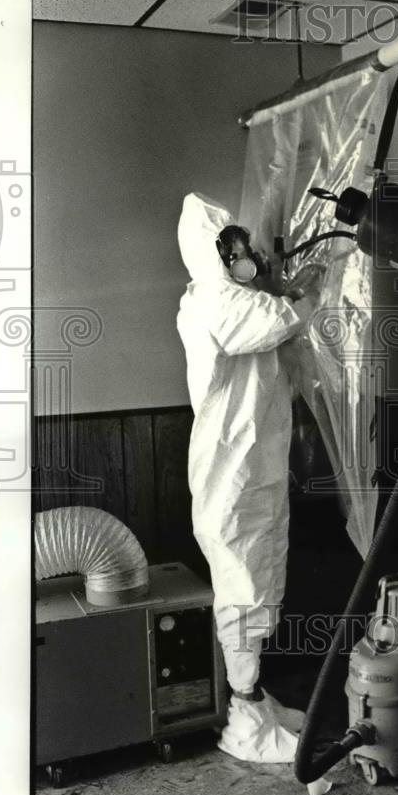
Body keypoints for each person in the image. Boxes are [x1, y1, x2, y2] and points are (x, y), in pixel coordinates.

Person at [176, 192, 319, 763]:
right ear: (209, 255)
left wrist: (283, 287)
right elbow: (281, 319)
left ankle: (254, 698)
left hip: (249, 466)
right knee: (243, 587)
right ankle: (242, 715)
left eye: (242, 246)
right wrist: (309, 286)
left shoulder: (228, 298)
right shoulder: (215, 301)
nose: (243, 255)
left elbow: (270, 318)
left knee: (258, 578)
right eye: (231, 249)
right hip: (231, 473)